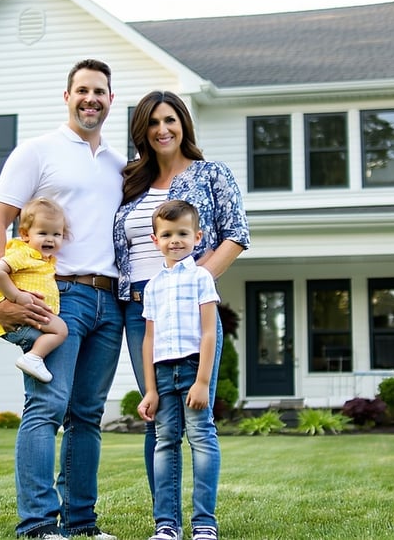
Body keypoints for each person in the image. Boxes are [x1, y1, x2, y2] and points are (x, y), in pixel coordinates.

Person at [0, 59, 124, 540]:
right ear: (67, 97)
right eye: (82, 90)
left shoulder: (121, 166)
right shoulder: (37, 151)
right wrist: (9, 295)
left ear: (110, 100)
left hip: (110, 300)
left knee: (87, 417)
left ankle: (81, 522)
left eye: (99, 91)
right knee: (46, 409)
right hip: (59, 300)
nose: (91, 98)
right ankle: (38, 524)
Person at [113, 90, 250, 503]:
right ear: (143, 131)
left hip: (191, 307)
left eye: (169, 120)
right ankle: (166, 519)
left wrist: (191, 283)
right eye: (153, 122)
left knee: (197, 421)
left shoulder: (211, 173)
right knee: (160, 416)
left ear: (183, 124)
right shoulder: (129, 181)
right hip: (139, 307)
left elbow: (236, 235)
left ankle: (203, 515)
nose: (162, 129)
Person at [137, 200, 221, 540]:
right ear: (156, 239)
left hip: (191, 367)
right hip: (162, 372)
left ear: (197, 237)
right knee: (165, 441)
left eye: (183, 233)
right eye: (167, 234)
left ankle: (204, 522)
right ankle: (167, 524)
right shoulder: (153, 285)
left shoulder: (202, 277)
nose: (175, 240)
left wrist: (202, 381)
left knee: (201, 438)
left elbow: (209, 331)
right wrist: (150, 389)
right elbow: (148, 340)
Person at [0, 196, 69, 383]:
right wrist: (16, 296)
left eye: (56, 234)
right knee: (61, 330)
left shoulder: (42, 259)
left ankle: (34, 357)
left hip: (34, 317)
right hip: (24, 320)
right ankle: (34, 357)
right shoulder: (23, 253)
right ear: (26, 234)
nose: (50, 239)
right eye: (43, 233)